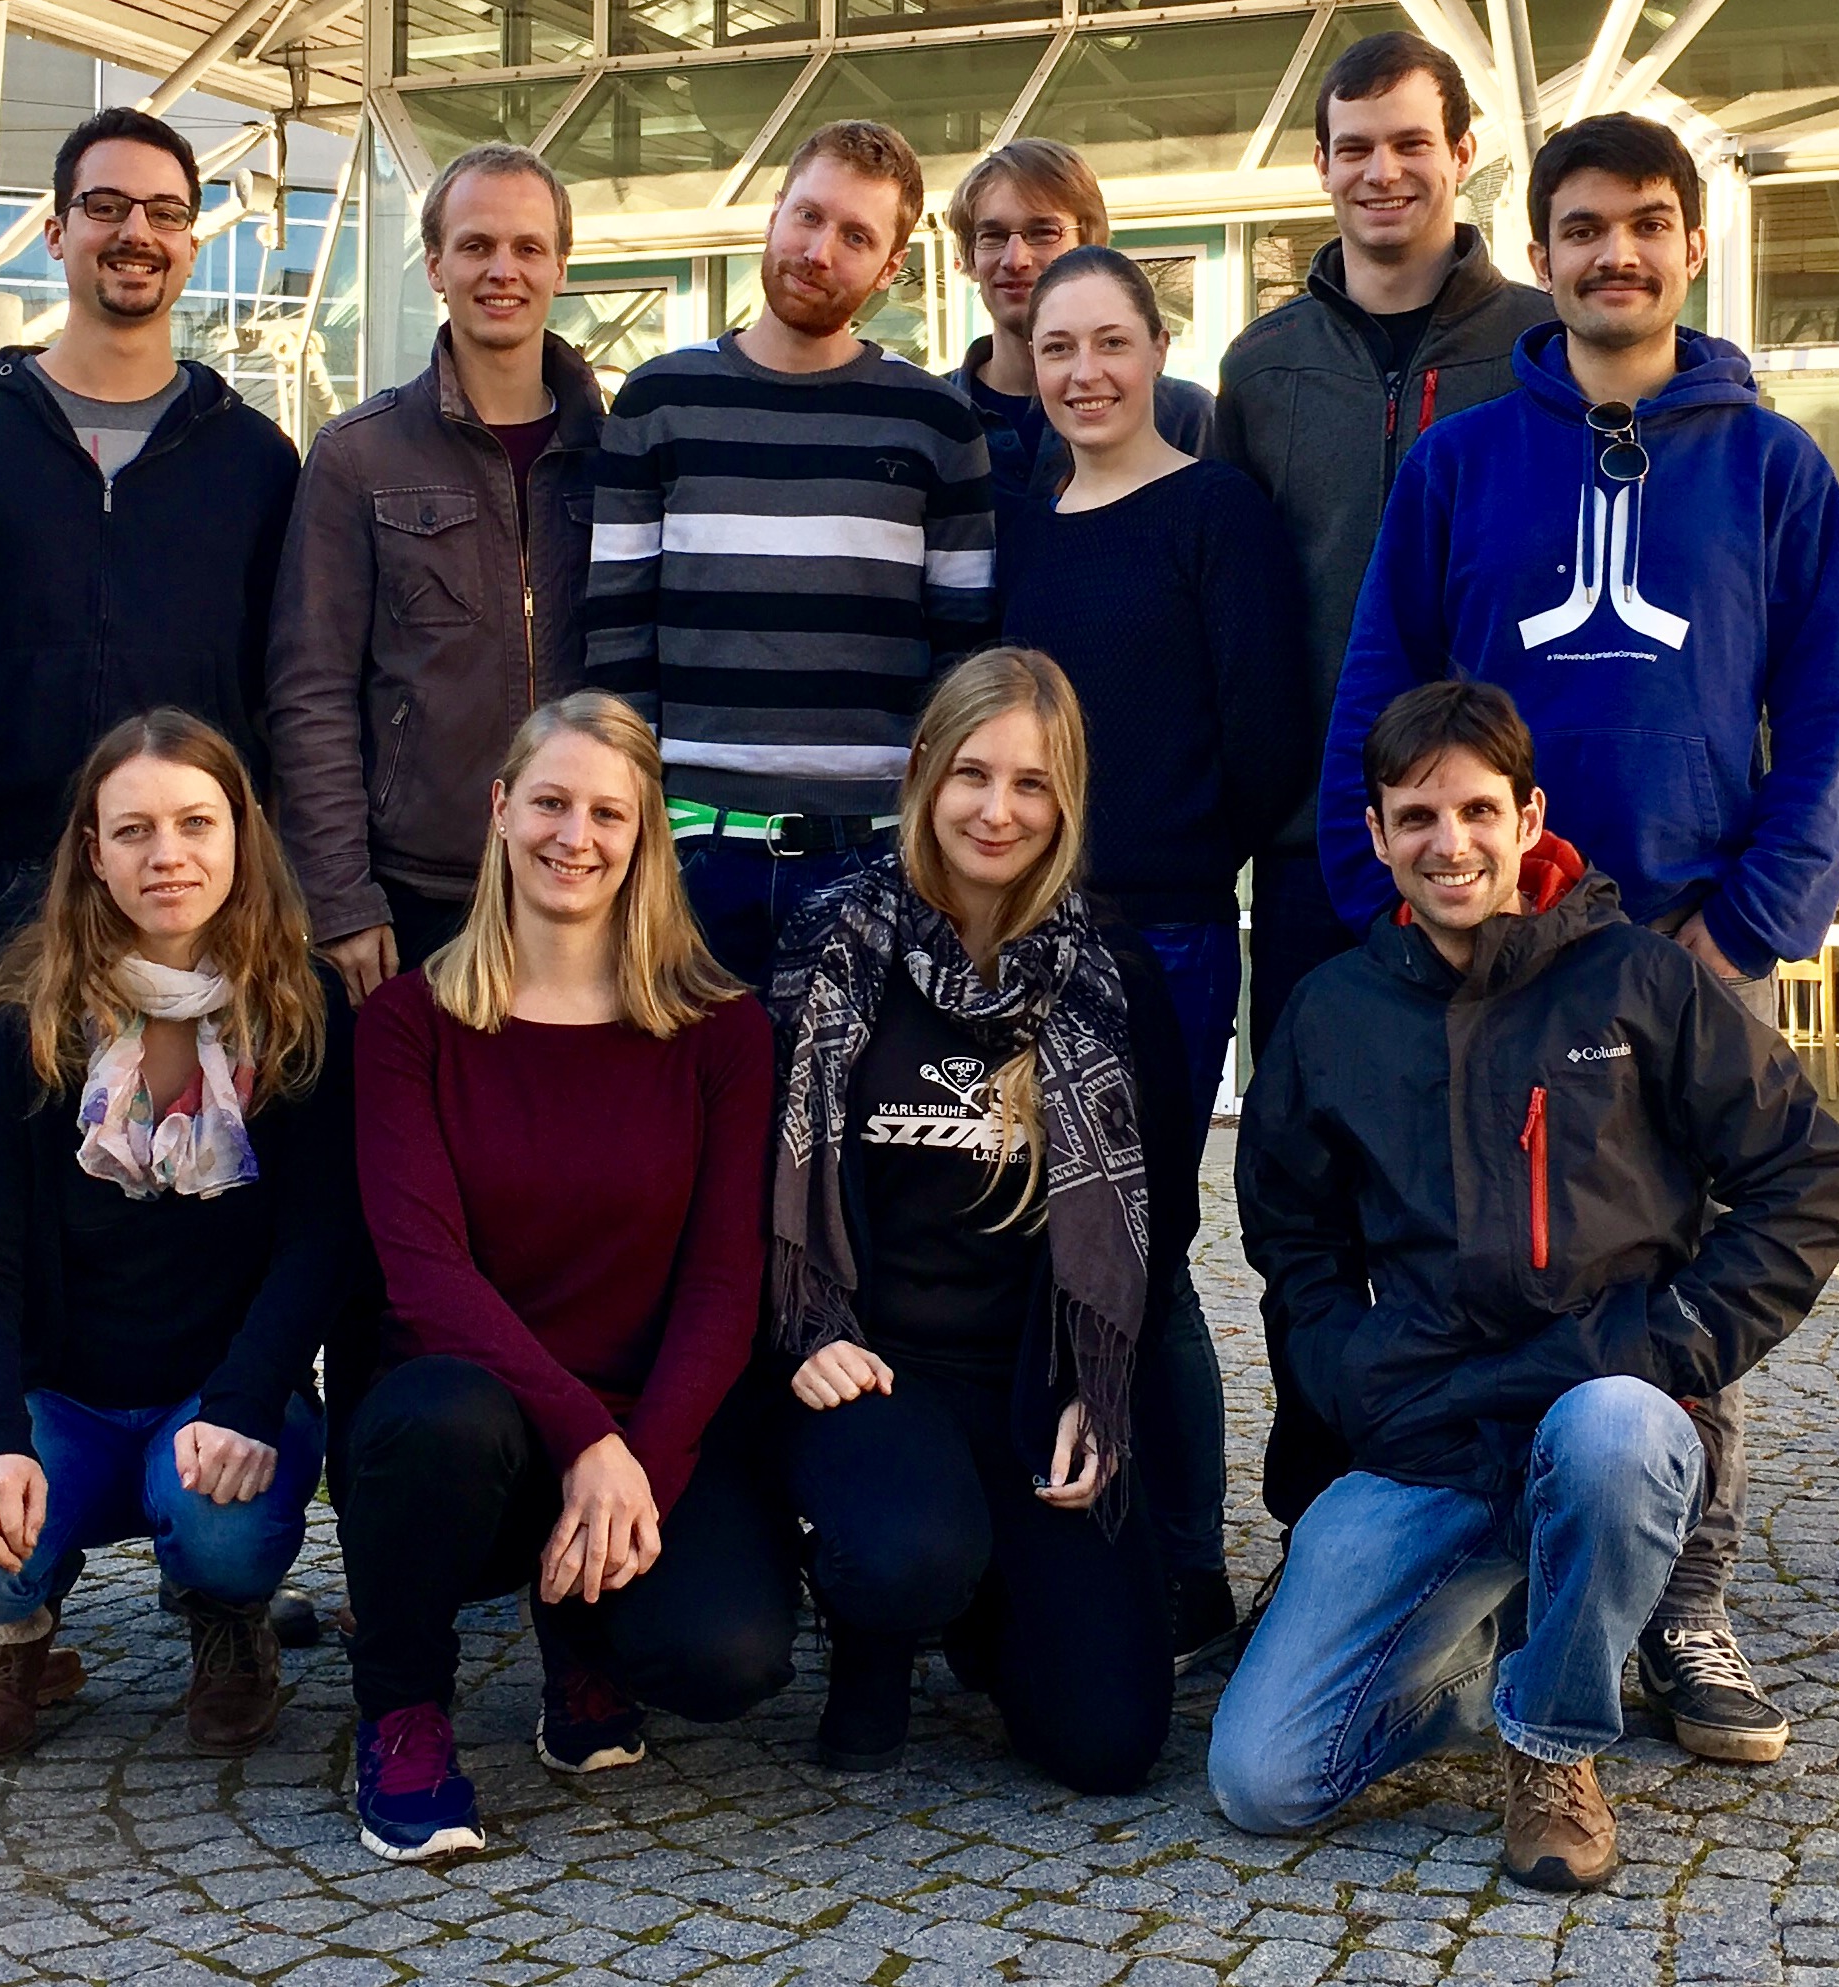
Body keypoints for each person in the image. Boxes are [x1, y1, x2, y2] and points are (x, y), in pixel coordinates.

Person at [1318, 110, 1839, 1768]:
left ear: (1690, 243)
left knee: (1677, 1266)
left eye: (1641, 222)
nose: (1612, 252)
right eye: (1578, 226)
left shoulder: (1772, 468)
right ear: (1539, 251)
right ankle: (1501, 1560)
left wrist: (1744, 927)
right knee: (1488, 1242)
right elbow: (1379, 682)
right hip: (1487, 948)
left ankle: (1683, 1601)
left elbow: (1820, 715)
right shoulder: (1458, 464)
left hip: (1682, 944)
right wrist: (1380, 906)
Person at [1214, 682, 1839, 1890]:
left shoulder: (1640, 982)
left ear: (1528, 819)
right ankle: (1509, 1657)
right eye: (1416, 817)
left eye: (1476, 811)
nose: (1448, 843)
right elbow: (1293, 1242)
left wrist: (1671, 1345)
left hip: (1603, 1413)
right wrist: (1349, 1377)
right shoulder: (1332, 1015)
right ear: (1375, 834)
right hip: (1430, 1441)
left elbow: (1808, 1175)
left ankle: (1551, 1747)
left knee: (1617, 1433)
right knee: (1266, 1781)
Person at [339, 691, 785, 1866]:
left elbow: (723, 1286)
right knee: (439, 1418)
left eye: (607, 813)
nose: (572, 837)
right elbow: (424, 1274)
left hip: (643, 1438)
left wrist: (639, 1463)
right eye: (548, 803)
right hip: (464, 1435)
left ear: (646, 837)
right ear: (499, 810)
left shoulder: (723, 1033)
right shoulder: (408, 1023)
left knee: (728, 1660)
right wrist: (585, 1437)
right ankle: (401, 1712)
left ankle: (584, 1636)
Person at [0, 712, 362, 1764]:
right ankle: (11, 1630)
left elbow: (324, 1239)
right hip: (62, 1400)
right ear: (93, 854)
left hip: (222, 1399)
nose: (167, 856)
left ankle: (224, 1612)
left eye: (196, 823)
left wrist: (248, 1398)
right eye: (134, 830)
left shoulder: (308, 1011)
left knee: (226, 1532)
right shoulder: (18, 1028)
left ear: (241, 836)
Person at [766, 648, 1189, 1793]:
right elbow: (759, 1178)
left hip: (1029, 1380)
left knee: (1107, 1743)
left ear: (1066, 802)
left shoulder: (1110, 977)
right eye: (973, 775)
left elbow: (1162, 1226)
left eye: (1031, 784)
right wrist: (804, 1336)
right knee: (905, 1552)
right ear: (923, 774)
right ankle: (876, 1625)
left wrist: (1099, 1395)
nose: (998, 811)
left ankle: (989, 1604)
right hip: (867, 1366)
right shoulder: (832, 945)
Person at [995, 245, 1310, 1658]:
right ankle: (1056, 1537)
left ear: (1155, 349)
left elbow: (1264, 737)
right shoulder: (1021, 529)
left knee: (1146, 1245)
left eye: (1109, 342)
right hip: (1016, 937)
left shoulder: (1214, 512)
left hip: (1161, 933)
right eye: (1058, 347)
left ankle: (1186, 1563)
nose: (1084, 373)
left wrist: (1170, 847)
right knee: (1022, 1236)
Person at [0, 106, 300, 1006]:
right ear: (56, 232)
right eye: (106, 205)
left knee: (196, 1105)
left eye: (165, 212)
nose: (136, 232)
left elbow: (284, 686)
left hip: (186, 877)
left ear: (191, 244)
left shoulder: (257, 459)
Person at [588, 119, 996, 986]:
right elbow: (617, 631)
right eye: (808, 216)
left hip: (875, 851)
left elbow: (964, 650)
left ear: (889, 268)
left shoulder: (936, 422)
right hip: (689, 850)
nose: (819, 251)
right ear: (774, 212)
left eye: (855, 236)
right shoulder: (659, 399)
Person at [1208, 31, 1549, 1068]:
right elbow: (1232, 610)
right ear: (1321, 165)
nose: (1381, 171)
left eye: (1410, 143)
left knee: (1504, 1131)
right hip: (1316, 843)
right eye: (1354, 148)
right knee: (1317, 1128)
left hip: (1494, 845)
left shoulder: (1542, 353)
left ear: (1462, 153)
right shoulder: (1261, 368)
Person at [274, 142, 601, 996]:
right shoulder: (358, 456)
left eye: (527, 247)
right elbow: (310, 691)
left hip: (589, 883)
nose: (502, 270)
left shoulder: (617, 457)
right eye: (475, 245)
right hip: (416, 899)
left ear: (560, 267)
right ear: (434, 265)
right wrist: (340, 897)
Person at [942, 139, 1210, 496]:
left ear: (1089, 243)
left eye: (1043, 232)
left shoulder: (1181, 417)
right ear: (970, 256)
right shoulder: (927, 416)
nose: (1015, 259)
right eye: (993, 236)